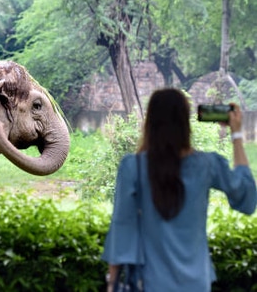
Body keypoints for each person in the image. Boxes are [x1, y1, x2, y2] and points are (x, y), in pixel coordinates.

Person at [102, 88, 257, 291]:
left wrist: (112, 282)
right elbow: (246, 199)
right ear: (186, 123)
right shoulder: (208, 164)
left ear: (150, 123)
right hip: (196, 284)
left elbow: (122, 226)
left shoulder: (133, 167)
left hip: (151, 283)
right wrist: (236, 134)